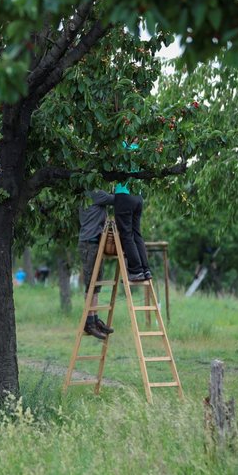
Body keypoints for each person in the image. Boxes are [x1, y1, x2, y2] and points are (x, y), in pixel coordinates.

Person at [78, 189, 116, 340]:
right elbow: (116, 199)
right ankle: (89, 322)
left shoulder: (87, 194)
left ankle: (94, 319)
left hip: (95, 244)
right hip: (89, 244)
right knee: (91, 284)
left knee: (96, 284)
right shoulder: (95, 194)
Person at [115, 139, 151, 281]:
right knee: (137, 234)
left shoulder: (121, 146)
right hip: (138, 197)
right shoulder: (141, 149)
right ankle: (146, 269)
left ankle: (136, 270)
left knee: (126, 235)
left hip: (124, 195)